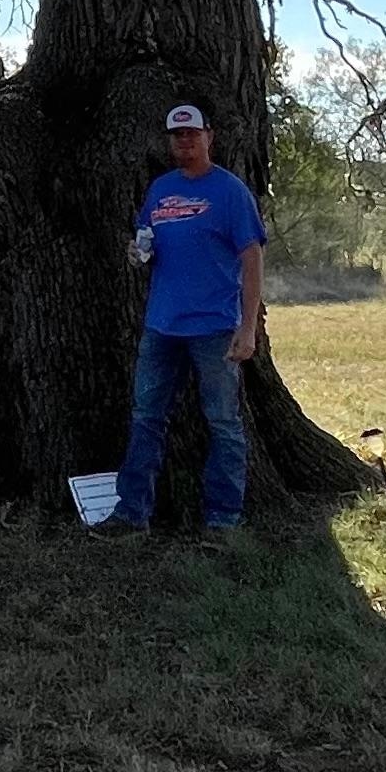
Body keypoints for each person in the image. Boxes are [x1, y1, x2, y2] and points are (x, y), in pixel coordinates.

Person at [107, 102, 267, 537]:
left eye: (192, 133)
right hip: (162, 326)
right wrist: (137, 253)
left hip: (215, 328)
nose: (185, 141)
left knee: (223, 422)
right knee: (146, 417)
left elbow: (252, 258)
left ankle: (222, 519)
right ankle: (131, 514)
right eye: (177, 135)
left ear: (209, 137)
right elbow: (147, 245)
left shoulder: (230, 191)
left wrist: (248, 325)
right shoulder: (160, 190)